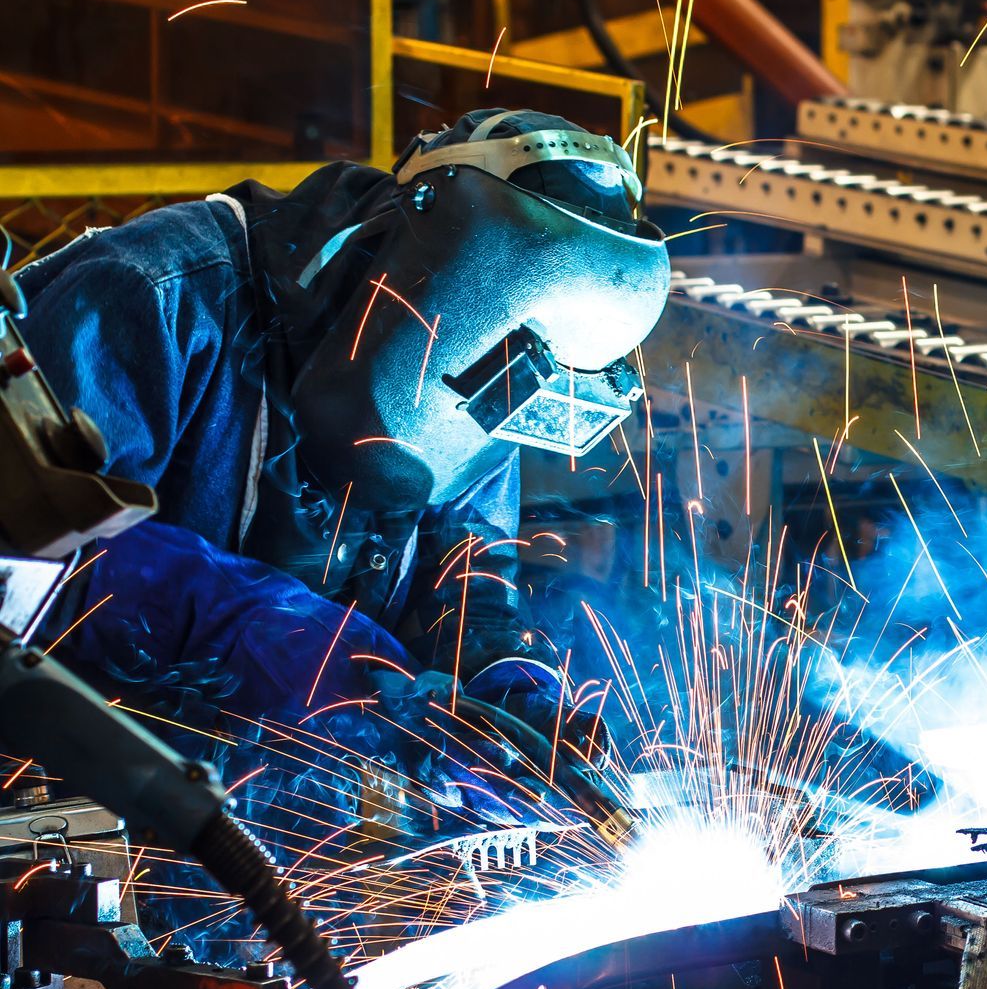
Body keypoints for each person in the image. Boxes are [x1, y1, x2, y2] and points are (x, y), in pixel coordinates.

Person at [12, 109, 669, 847]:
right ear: (426, 283)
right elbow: (24, 555)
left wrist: (514, 696)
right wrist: (254, 629)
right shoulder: (152, 297)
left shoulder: (482, 383)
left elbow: (471, 578)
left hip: (252, 840)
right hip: (62, 825)